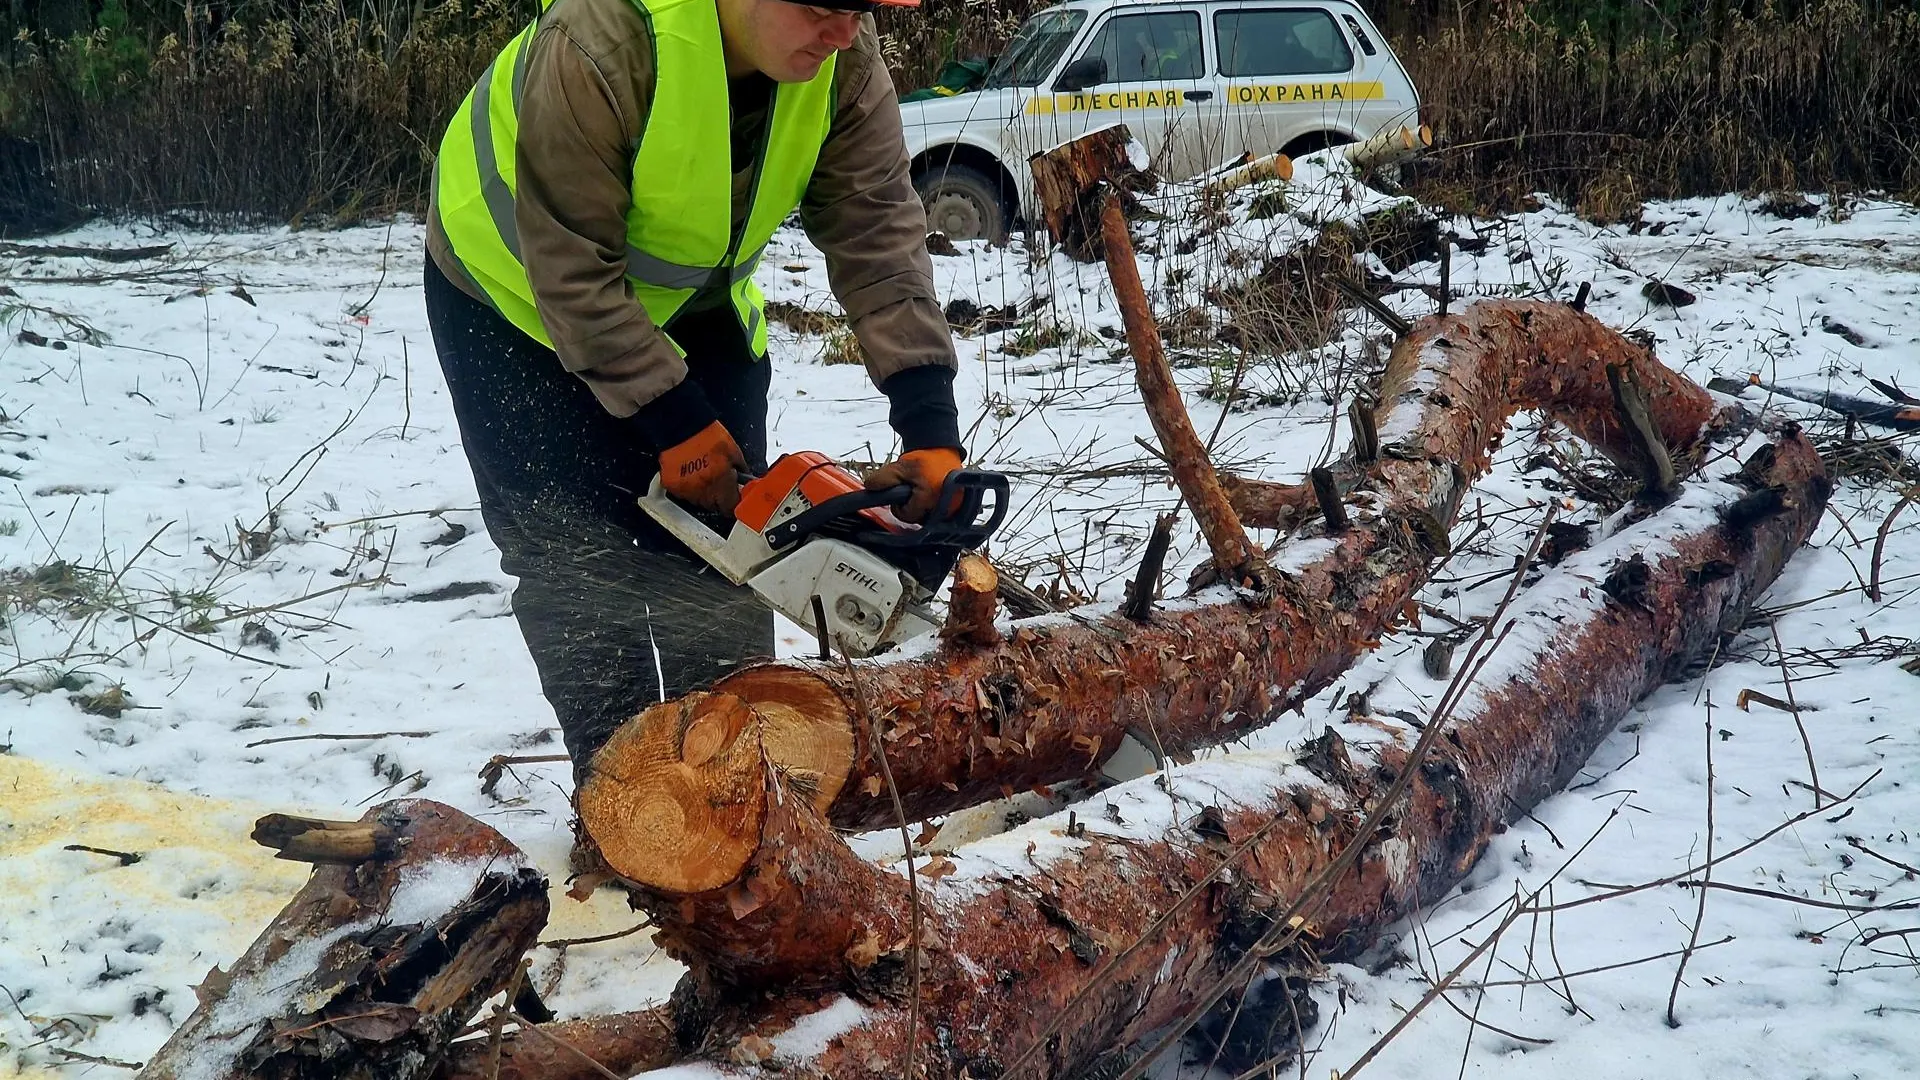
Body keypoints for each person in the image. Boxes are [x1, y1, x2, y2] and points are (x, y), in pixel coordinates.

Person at [424, 0, 964, 773]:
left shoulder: (844, 54)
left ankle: (734, 781)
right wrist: (673, 420)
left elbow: (875, 229)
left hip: (692, 302)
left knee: (735, 551)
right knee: (576, 559)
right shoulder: (602, 39)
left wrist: (928, 425)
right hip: (509, 296)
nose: (846, 32)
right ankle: (620, 792)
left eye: (860, 8)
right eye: (822, 8)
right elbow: (571, 273)